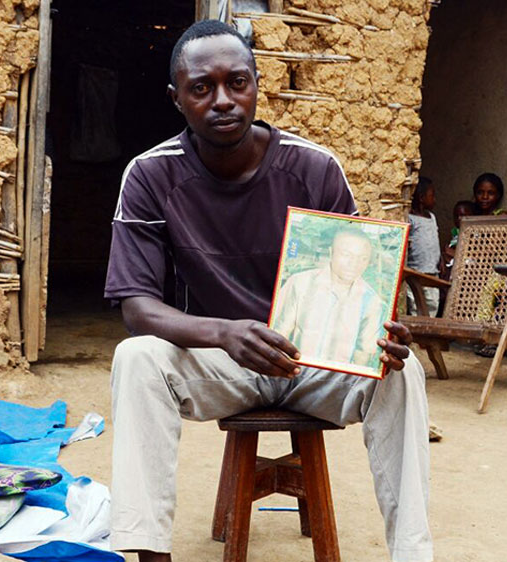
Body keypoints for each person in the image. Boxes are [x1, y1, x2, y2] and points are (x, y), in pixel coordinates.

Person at [103, 20, 432, 562]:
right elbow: (137, 308)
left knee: (404, 375)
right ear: (176, 99)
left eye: (237, 82)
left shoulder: (314, 167)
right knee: (136, 358)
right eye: (201, 88)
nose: (223, 100)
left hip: (315, 362)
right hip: (220, 361)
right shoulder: (151, 175)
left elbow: (367, 276)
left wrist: (386, 334)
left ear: (258, 83)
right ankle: (149, 554)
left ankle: (413, 555)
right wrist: (224, 333)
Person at [271, 228, 385, 369]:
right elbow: (279, 333)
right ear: (331, 253)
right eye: (346, 255)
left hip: (338, 380)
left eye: (363, 258)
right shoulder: (300, 283)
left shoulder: (372, 301)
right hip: (291, 370)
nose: (354, 264)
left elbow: (363, 355)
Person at [406, 177, 440, 316]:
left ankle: (427, 334)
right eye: (432, 195)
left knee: (432, 305)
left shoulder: (431, 217)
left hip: (433, 272)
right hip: (416, 272)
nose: (435, 199)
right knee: (416, 306)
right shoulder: (411, 219)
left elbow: (434, 240)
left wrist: (441, 261)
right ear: (421, 198)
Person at [439, 199, 476, 280]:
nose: (459, 218)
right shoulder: (455, 235)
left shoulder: (476, 236)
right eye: (456, 216)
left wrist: (454, 254)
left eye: (463, 215)